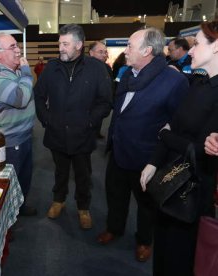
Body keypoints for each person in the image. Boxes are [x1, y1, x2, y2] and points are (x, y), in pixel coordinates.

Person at [97, 27, 189, 262]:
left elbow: (177, 125)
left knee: (146, 205)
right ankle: (114, 228)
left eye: (129, 45)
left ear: (147, 50)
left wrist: (158, 159)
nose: (124, 50)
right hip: (118, 151)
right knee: (115, 195)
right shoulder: (128, 73)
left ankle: (144, 241)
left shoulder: (174, 81)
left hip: (147, 158)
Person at [141, 21, 218, 275]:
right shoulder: (197, 83)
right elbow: (172, 126)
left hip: (192, 193)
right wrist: (153, 161)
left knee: (180, 260)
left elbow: (201, 151)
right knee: (162, 255)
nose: (191, 51)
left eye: (197, 44)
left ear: (216, 47)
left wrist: (166, 135)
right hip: (168, 181)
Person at [34, 24, 112, 229]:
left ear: (78, 45)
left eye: (65, 44)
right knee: (60, 171)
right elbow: (39, 96)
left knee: (83, 174)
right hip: (56, 133)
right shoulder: (52, 67)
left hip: (83, 135)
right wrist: (46, 120)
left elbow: (105, 101)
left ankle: (83, 208)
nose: (60, 48)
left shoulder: (96, 69)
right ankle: (58, 200)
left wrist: (89, 122)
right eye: (60, 43)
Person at [0, 33, 37, 216]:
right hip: (9, 143)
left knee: (23, 178)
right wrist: (26, 72)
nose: (18, 50)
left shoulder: (11, 71)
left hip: (24, 137)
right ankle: (7, 224)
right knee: (7, 184)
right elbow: (21, 98)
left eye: (17, 46)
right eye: (13, 47)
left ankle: (20, 207)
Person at [89, 41, 114, 138]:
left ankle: (96, 133)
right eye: (100, 52)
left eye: (105, 52)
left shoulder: (107, 67)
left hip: (102, 105)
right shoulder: (84, 68)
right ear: (91, 53)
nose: (104, 55)